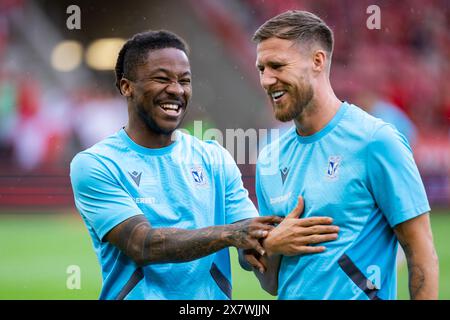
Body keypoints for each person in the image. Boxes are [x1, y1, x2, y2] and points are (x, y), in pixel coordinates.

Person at [70, 30, 337, 300]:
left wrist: (274, 240)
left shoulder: (214, 158)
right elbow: (142, 244)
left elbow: (249, 249)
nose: (176, 90)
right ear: (126, 87)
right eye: (162, 79)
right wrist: (231, 235)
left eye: (184, 81)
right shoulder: (96, 164)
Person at [246, 10, 439, 300]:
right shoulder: (270, 158)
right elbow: (270, 284)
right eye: (262, 69)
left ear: (317, 61)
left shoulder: (375, 141)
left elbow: (421, 251)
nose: (266, 80)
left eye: (277, 66)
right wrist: (272, 245)